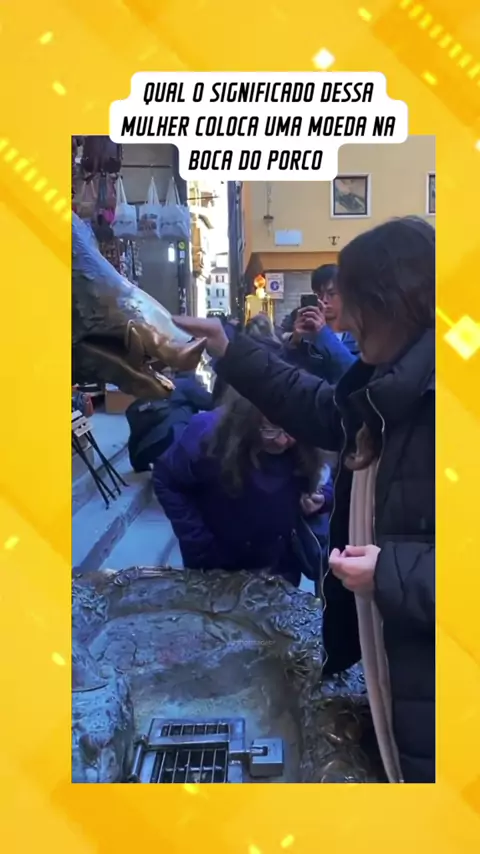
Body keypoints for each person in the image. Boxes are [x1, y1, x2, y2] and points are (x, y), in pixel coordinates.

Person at [172, 216, 435, 784]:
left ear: (394, 303)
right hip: (399, 669)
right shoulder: (386, 388)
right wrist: (228, 347)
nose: (341, 317)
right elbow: (314, 403)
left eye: (350, 300)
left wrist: (392, 572)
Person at [152, 389, 324, 587]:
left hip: (279, 566)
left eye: (291, 430)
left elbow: (334, 474)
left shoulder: (304, 441)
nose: (282, 441)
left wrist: (322, 496)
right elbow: (166, 478)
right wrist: (196, 539)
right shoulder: (208, 435)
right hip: (216, 567)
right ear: (247, 421)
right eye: (270, 429)